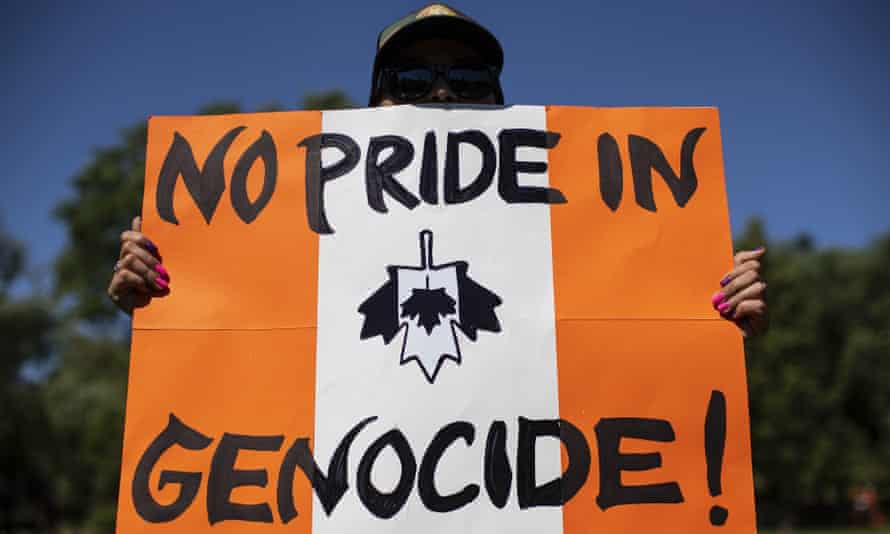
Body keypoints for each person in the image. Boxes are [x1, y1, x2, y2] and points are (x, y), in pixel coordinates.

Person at [108, 3, 768, 337]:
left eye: (470, 78)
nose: (444, 94)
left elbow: (633, 349)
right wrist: (164, 290)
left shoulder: (579, 233)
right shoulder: (298, 235)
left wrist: (705, 310)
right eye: (414, 77)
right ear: (375, 104)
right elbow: (237, 352)